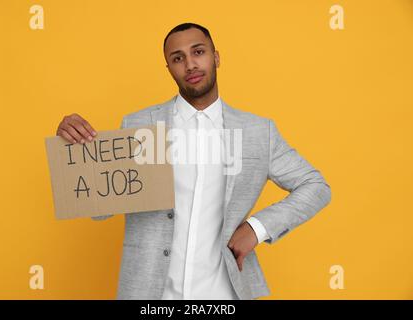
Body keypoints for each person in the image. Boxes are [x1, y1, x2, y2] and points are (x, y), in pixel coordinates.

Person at [55, 23, 331, 300]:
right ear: (169, 68)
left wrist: (256, 229)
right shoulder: (140, 124)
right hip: (151, 293)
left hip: (224, 294)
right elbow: (100, 209)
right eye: (178, 58)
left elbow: (316, 186)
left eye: (198, 51)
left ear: (216, 57)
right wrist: (75, 148)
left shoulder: (258, 131)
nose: (190, 64)